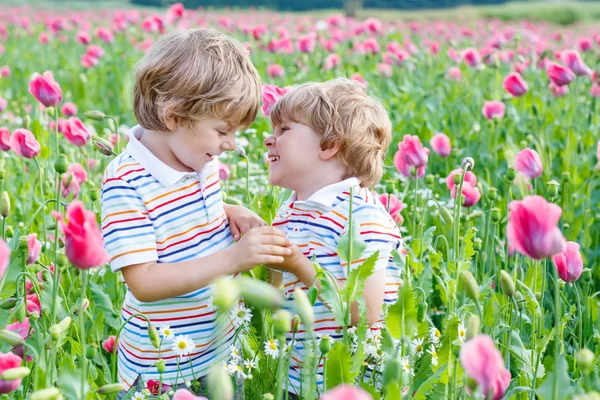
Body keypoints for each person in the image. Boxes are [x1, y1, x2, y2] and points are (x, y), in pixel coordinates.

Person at [101, 28, 292, 399]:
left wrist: (227, 210)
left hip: (219, 351)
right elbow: (144, 280)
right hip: (163, 369)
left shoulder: (192, 159)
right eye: (223, 130)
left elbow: (177, 213)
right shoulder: (126, 182)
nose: (231, 145)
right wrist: (232, 258)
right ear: (173, 116)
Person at [264, 78, 403, 395]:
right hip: (297, 376)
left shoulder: (359, 217)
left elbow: (365, 314)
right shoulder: (293, 208)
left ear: (328, 145)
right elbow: (279, 291)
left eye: (284, 130)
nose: (268, 141)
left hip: (348, 381)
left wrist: (298, 264)